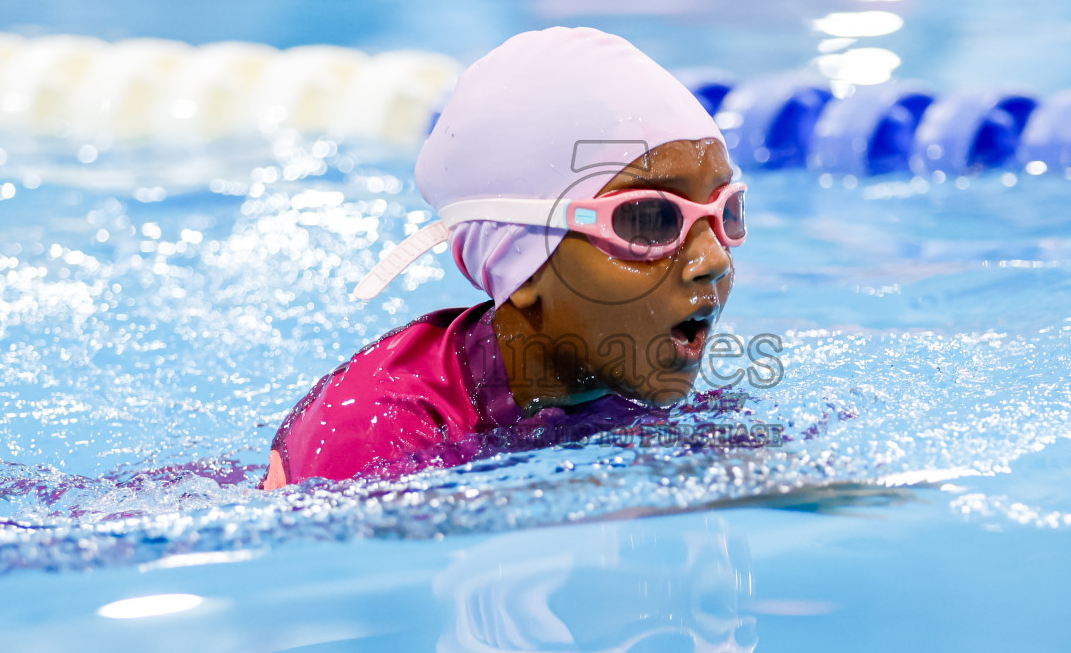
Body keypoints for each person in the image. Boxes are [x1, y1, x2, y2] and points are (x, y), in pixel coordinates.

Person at [262, 27, 745, 489]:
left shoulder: (625, 378)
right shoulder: (376, 437)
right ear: (522, 261)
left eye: (727, 210)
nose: (713, 258)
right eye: (647, 219)